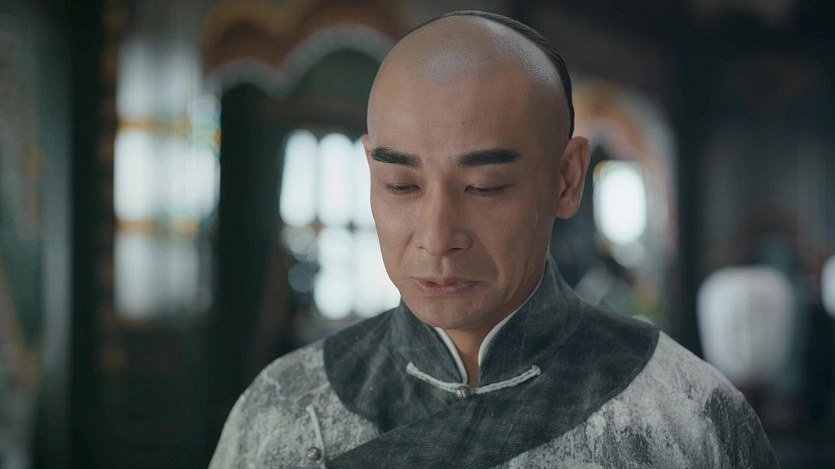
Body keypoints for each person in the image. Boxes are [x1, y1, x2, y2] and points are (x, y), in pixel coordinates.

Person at [210, 10, 778, 468]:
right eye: (401, 185)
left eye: (484, 187)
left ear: (566, 180)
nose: (437, 238)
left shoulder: (688, 416)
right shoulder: (283, 408)